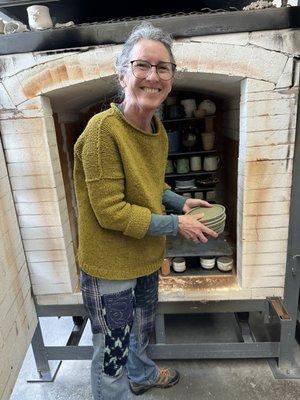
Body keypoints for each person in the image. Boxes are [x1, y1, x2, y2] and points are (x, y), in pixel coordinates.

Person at [73, 22, 218, 400]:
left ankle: (141, 376)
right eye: (142, 66)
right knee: (113, 351)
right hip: (112, 268)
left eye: (163, 68)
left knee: (140, 330)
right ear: (122, 74)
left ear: (170, 78)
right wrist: (175, 223)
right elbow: (111, 212)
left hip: (144, 258)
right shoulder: (103, 131)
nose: (153, 76)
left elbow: (150, 184)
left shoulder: (153, 126)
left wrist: (178, 201)